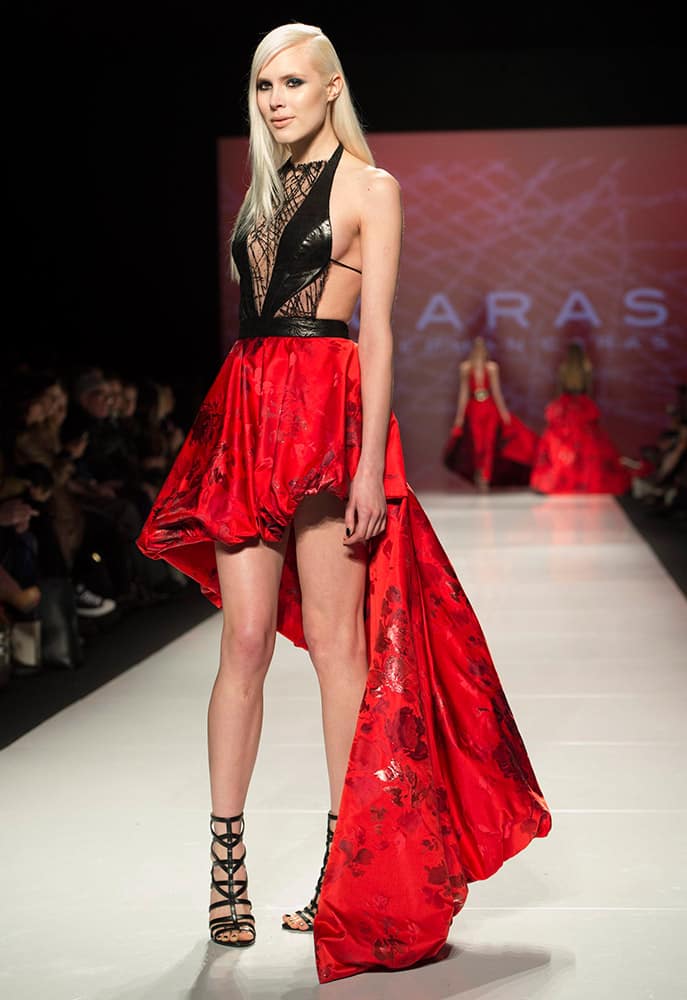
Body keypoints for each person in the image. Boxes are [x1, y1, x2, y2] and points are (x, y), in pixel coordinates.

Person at [136, 22, 551, 985]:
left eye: (291, 82)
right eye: (262, 85)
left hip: (327, 413)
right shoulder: (259, 192)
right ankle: (225, 864)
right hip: (248, 406)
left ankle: (344, 872)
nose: (274, 98)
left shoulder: (372, 189)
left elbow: (380, 332)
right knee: (241, 643)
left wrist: (369, 464)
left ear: (331, 87)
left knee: (338, 650)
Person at [530, 340, 632, 494]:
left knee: (558, 445)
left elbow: (559, 390)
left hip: (566, 406)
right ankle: (584, 480)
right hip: (582, 406)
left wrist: (561, 408)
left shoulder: (564, 369)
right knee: (588, 447)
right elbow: (589, 391)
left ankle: (559, 480)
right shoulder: (587, 368)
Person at [443, 336, 539, 489]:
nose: (480, 351)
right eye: (477, 347)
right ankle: (479, 474)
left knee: (488, 443)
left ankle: (486, 477)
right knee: (477, 443)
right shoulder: (466, 368)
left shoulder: (491, 368)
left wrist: (504, 414)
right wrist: (459, 417)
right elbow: (463, 393)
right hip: (474, 408)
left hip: (489, 408)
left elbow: (496, 392)